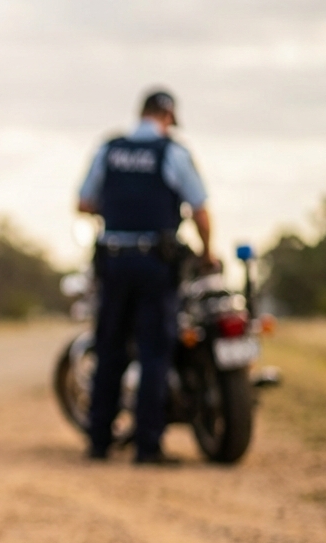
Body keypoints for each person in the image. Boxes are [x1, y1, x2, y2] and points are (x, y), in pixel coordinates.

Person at [76, 88, 219, 464]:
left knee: (110, 349)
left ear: (141, 112)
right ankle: (147, 446)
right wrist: (207, 253)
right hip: (156, 264)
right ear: (168, 118)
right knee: (155, 351)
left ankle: (99, 442)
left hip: (113, 261)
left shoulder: (110, 148)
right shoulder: (173, 152)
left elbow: (83, 202)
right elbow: (200, 211)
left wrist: (118, 208)